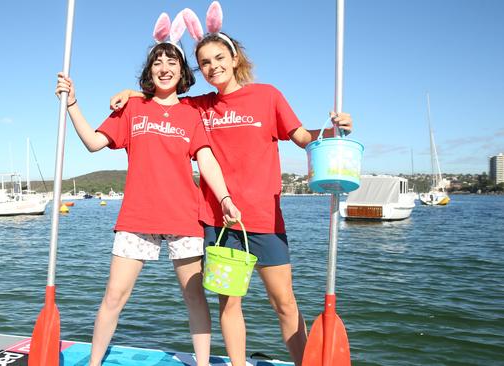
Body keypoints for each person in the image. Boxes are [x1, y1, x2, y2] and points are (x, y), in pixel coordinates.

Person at [109, 3, 353, 365]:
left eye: (218, 58)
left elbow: (303, 137)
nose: (213, 67)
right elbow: (164, 97)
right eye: (205, 62)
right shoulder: (201, 106)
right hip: (219, 222)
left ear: (235, 56)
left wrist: (336, 131)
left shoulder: (268, 96)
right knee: (229, 303)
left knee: (283, 302)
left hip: (264, 218)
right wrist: (131, 94)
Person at [55, 12, 240, 366]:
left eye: (172, 61)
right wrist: (73, 103)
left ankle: (203, 364)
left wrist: (225, 199)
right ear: (150, 70)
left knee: (195, 298)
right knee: (114, 296)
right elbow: (94, 143)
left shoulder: (191, 112)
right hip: (138, 215)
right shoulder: (133, 107)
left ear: (183, 71)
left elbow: (207, 161)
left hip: (184, 216)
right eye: (158, 61)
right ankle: (93, 363)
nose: (165, 67)